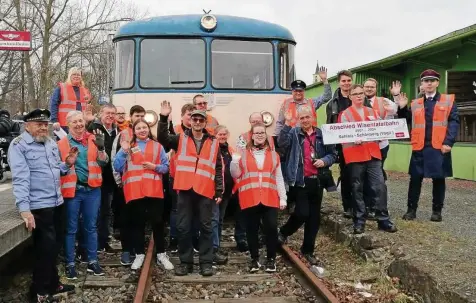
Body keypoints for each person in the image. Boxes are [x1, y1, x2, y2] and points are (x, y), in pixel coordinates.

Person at [8, 109, 74, 303]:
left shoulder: (50, 143)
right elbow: (20, 178)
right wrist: (24, 209)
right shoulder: (19, 146)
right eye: (39, 124)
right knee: (45, 250)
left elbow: (55, 169)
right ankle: (40, 292)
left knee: (54, 247)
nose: (43, 127)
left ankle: (53, 283)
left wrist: (66, 165)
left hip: (56, 202)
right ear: (27, 125)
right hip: (39, 206)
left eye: (45, 124)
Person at [157, 101, 223, 277]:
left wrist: (219, 190)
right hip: (185, 189)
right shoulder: (181, 139)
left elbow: (217, 168)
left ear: (205, 122)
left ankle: (206, 263)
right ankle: (185, 262)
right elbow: (163, 138)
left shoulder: (214, 142)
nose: (198, 123)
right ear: (191, 121)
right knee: (183, 227)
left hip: (205, 190)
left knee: (206, 227)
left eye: (201, 120)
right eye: (195, 119)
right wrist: (163, 117)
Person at [277, 106, 337, 265]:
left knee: (314, 219)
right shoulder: (294, 133)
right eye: (301, 118)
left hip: (317, 181)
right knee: (302, 213)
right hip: (300, 180)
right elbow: (282, 144)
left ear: (313, 117)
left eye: (307, 117)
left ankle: (308, 249)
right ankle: (283, 232)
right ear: (298, 119)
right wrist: (288, 124)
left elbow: (333, 154)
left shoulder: (322, 134)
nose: (304, 120)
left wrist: (325, 161)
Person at [398, 69, 459, 222]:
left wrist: (448, 142)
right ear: (422, 84)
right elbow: (405, 122)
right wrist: (402, 108)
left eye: (432, 80)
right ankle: (411, 211)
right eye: (426, 81)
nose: (429, 83)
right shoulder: (415, 103)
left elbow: (454, 122)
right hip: (420, 147)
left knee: (439, 179)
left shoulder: (448, 100)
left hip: (439, 147)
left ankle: (437, 211)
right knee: (415, 179)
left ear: (437, 83)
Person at [113, 119, 174, 270]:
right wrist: (124, 151)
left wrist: (155, 167)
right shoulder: (127, 147)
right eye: (138, 128)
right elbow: (117, 166)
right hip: (134, 192)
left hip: (154, 191)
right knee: (137, 224)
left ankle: (161, 254)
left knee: (158, 223)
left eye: (144, 127)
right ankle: (139, 254)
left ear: (148, 129)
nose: (142, 130)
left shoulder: (157, 146)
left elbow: (166, 168)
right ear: (134, 131)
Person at [339, 85, 397, 234]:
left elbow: (381, 131)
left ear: (364, 95)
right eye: (355, 94)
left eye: (361, 93)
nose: (359, 96)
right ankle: (359, 221)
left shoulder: (373, 112)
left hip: (373, 155)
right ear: (350, 96)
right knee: (357, 189)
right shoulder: (345, 114)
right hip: (355, 156)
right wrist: (353, 138)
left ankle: (383, 219)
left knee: (379, 186)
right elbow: (342, 136)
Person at [58, 111, 108, 279]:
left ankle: (92, 261)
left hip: (92, 190)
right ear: (68, 124)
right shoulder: (62, 144)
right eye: (74, 122)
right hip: (73, 191)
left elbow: (103, 162)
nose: (79, 124)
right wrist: (67, 162)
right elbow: (58, 168)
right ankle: (70, 263)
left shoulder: (94, 139)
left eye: (80, 121)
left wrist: (102, 149)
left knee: (91, 227)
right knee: (71, 228)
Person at [231, 123, 287, 273]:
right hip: (250, 197)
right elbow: (235, 174)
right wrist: (234, 162)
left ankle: (271, 259)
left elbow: (279, 177)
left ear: (266, 135)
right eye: (257, 133)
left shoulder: (274, 155)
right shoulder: (243, 154)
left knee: (271, 228)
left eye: (262, 132)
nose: (260, 135)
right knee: (251, 230)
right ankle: (254, 259)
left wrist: (283, 197)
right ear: (252, 135)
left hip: (270, 198)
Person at [111, 105, 146, 265]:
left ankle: (138, 249)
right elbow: (115, 160)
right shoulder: (123, 135)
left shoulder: (146, 134)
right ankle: (126, 250)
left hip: (141, 187)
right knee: (125, 219)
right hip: (125, 186)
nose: (139, 118)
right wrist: (119, 182)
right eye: (137, 115)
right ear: (130, 117)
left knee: (138, 219)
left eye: (142, 116)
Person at [362, 78, 400, 219]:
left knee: (376, 177)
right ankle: (366, 206)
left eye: (372, 87)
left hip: (380, 146)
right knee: (363, 177)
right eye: (367, 86)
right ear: (363, 87)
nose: (369, 89)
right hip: (363, 147)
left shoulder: (384, 101)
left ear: (376, 88)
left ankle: (376, 206)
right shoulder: (357, 101)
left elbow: (397, 110)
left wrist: (396, 96)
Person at [165, 103, 200, 253]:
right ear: (183, 116)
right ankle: (174, 238)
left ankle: (194, 239)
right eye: (189, 115)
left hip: (197, 178)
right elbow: (165, 141)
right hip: (178, 176)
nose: (192, 119)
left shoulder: (201, 132)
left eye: (194, 116)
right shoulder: (177, 131)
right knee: (176, 210)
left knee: (196, 210)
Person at [87, 104, 118, 253]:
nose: (110, 116)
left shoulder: (117, 131)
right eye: (107, 113)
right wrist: (88, 122)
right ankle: (95, 243)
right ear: (101, 114)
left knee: (106, 210)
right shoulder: (94, 128)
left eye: (113, 113)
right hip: (98, 175)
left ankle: (104, 241)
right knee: (97, 211)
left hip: (111, 177)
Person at [326, 70, 354, 218]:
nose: (346, 83)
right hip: (342, 146)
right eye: (343, 81)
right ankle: (347, 206)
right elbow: (330, 125)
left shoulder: (359, 98)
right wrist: (333, 148)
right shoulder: (332, 104)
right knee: (346, 175)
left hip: (359, 144)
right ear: (339, 83)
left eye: (349, 80)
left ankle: (361, 206)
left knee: (361, 176)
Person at [274, 66, 331, 136]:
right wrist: (277, 138)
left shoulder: (311, 103)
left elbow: (327, 97)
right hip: (291, 141)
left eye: (300, 91)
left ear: (304, 91)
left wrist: (325, 80)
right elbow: (280, 123)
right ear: (292, 91)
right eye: (296, 91)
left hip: (309, 140)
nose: (298, 93)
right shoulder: (286, 103)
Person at [211, 125, 234, 265]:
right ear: (215, 135)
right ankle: (213, 248)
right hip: (215, 190)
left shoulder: (230, 150)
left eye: (224, 134)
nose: (222, 136)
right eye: (220, 134)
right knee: (213, 219)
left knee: (219, 220)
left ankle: (217, 245)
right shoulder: (213, 149)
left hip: (226, 191)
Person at [50, 67, 91, 132]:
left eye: (78, 75)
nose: (76, 76)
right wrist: (54, 120)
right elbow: (54, 105)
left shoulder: (85, 91)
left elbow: (88, 109)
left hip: (80, 124)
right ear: (69, 76)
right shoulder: (61, 88)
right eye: (74, 74)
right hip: (65, 125)